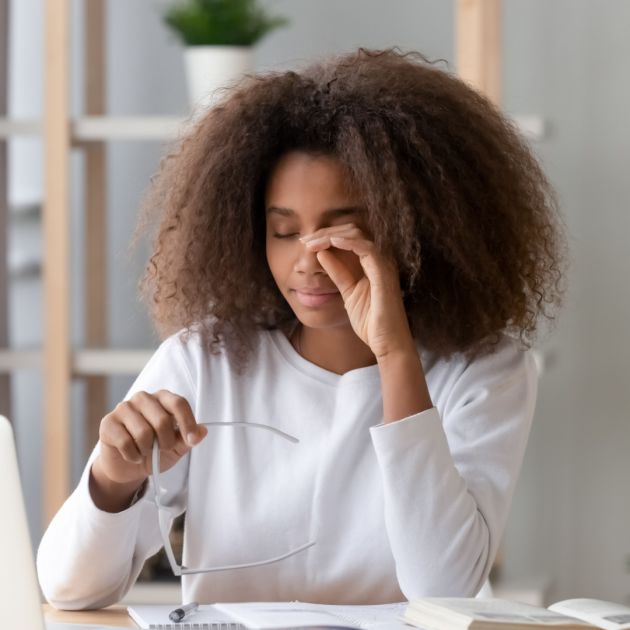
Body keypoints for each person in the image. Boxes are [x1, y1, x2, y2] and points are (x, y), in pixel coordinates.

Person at [37, 48, 566, 609]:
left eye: (341, 232)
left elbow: (443, 589)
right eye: (284, 232)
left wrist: (394, 353)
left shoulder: (484, 369)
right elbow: (70, 590)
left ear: (418, 233)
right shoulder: (205, 360)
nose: (307, 261)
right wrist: (113, 479)